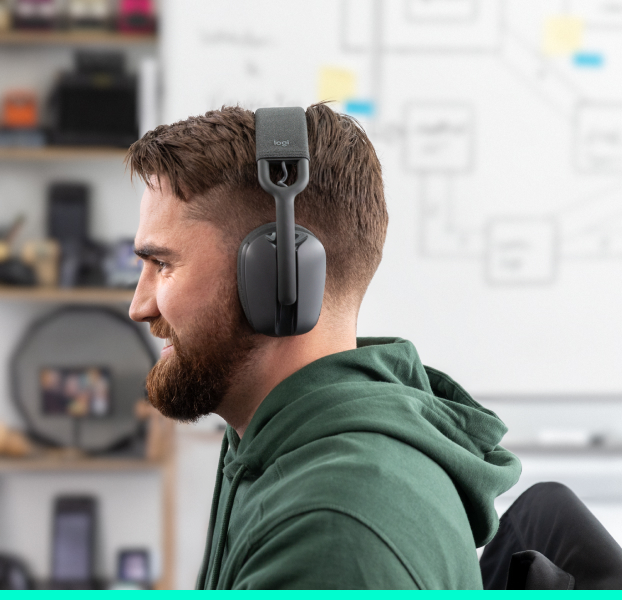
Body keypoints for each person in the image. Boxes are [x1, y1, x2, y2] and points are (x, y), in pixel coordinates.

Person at [124, 104, 522, 589]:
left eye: (162, 264)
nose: (139, 307)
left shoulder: (331, 528)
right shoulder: (271, 446)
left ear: (277, 277)